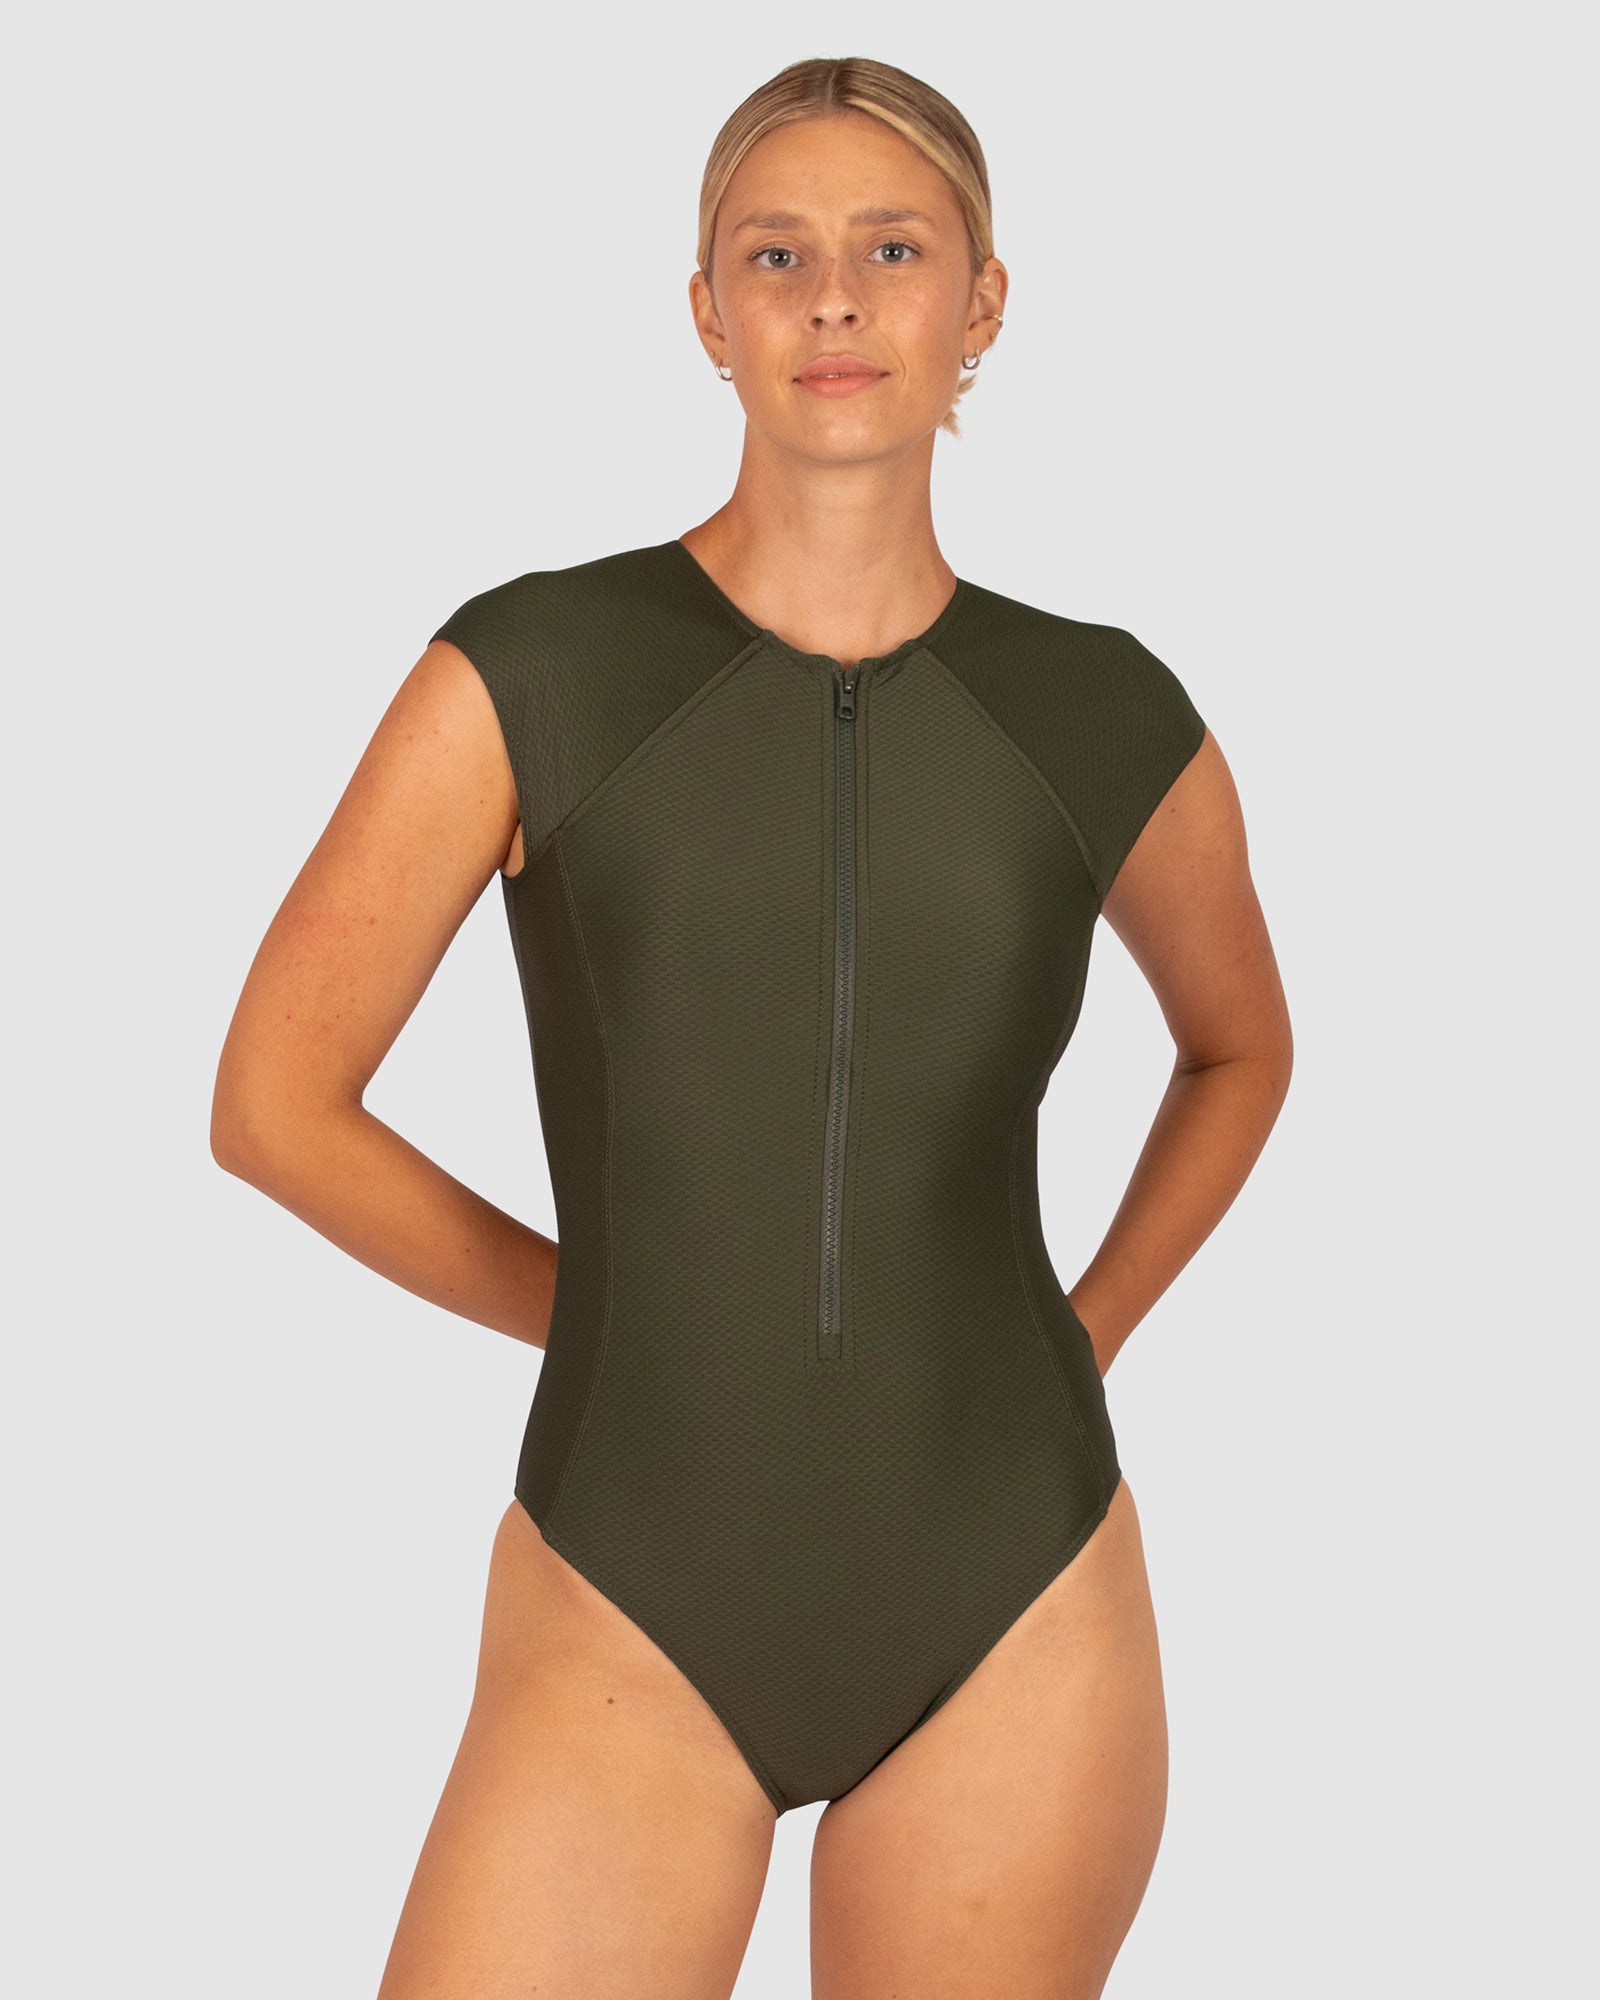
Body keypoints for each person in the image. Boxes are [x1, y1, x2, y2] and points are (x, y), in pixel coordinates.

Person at [211, 53, 1292, 2000]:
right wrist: (597, 1304)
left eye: (894, 249)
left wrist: (1096, 1323)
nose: (834, 298)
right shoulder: (536, 668)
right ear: (706, 311)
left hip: (1017, 1592)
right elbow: (274, 1103)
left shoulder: (1099, 709)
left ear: (981, 299)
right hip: (631, 1587)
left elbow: (1239, 1049)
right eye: (774, 253)